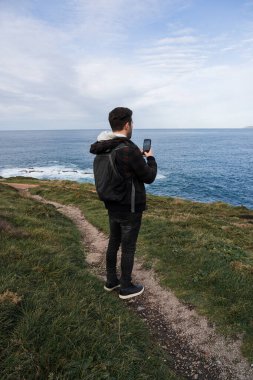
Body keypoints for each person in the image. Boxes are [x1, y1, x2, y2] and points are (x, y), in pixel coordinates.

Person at [90, 107, 157, 299]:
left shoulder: (104, 146)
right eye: (132, 123)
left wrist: (138, 158)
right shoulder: (128, 150)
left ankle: (111, 281)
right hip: (130, 207)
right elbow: (149, 176)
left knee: (114, 241)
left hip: (111, 203)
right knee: (128, 247)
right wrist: (150, 158)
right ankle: (126, 287)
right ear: (127, 124)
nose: (133, 126)